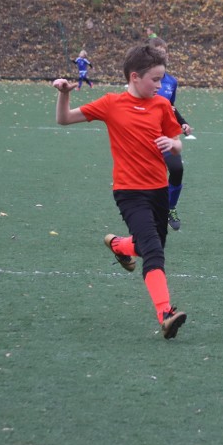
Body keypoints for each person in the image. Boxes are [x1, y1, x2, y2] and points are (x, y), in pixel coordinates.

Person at [52, 44, 188, 340]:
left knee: (145, 247)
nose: (160, 85)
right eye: (155, 79)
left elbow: (177, 143)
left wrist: (172, 144)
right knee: (153, 251)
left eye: (162, 79)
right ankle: (165, 313)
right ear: (135, 77)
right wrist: (64, 94)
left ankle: (118, 245)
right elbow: (64, 119)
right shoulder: (111, 104)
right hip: (129, 192)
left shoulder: (162, 106)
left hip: (158, 191)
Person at [148, 36, 194, 232]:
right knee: (149, 177)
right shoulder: (143, 78)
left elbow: (170, 107)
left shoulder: (171, 82)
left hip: (166, 135)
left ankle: (170, 207)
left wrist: (182, 123)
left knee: (176, 169)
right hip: (144, 136)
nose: (162, 56)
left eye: (164, 53)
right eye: (158, 53)